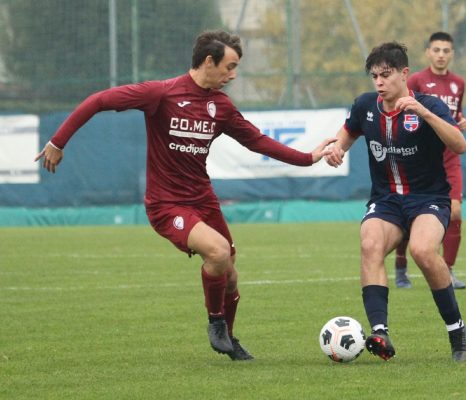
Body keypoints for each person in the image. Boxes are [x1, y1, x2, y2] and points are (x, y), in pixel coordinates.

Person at [35, 30, 335, 361]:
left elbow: (257, 141)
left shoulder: (220, 106)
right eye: (230, 66)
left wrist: (308, 158)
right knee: (218, 253)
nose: (233, 75)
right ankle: (216, 322)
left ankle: (230, 341)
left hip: (203, 201)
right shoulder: (161, 94)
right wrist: (57, 142)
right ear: (209, 61)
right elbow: (99, 101)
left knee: (231, 276)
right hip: (166, 205)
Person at [325, 41, 466, 362]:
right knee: (369, 245)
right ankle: (380, 332)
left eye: (386, 75)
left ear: (404, 73)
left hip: (428, 198)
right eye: (374, 76)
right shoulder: (365, 106)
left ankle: (457, 330)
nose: (379, 82)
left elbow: (460, 145)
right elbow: (345, 136)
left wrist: (424, 114)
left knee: (422, 250)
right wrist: (336, 149)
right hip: (387, 201)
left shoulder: (429, 105)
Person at [394, 32, 466, 290]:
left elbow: (452, 116)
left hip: (448, 155)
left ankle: (447, 271)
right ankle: (401, 265)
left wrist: (460, 122)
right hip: (421, 156)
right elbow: (405, 114)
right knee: (409, 213)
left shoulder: (458, 83)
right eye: (436, 50)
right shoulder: (416, 80)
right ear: (427, 52)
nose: (441, 55)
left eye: (446, 50)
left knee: (456, 210)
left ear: (452, 54)